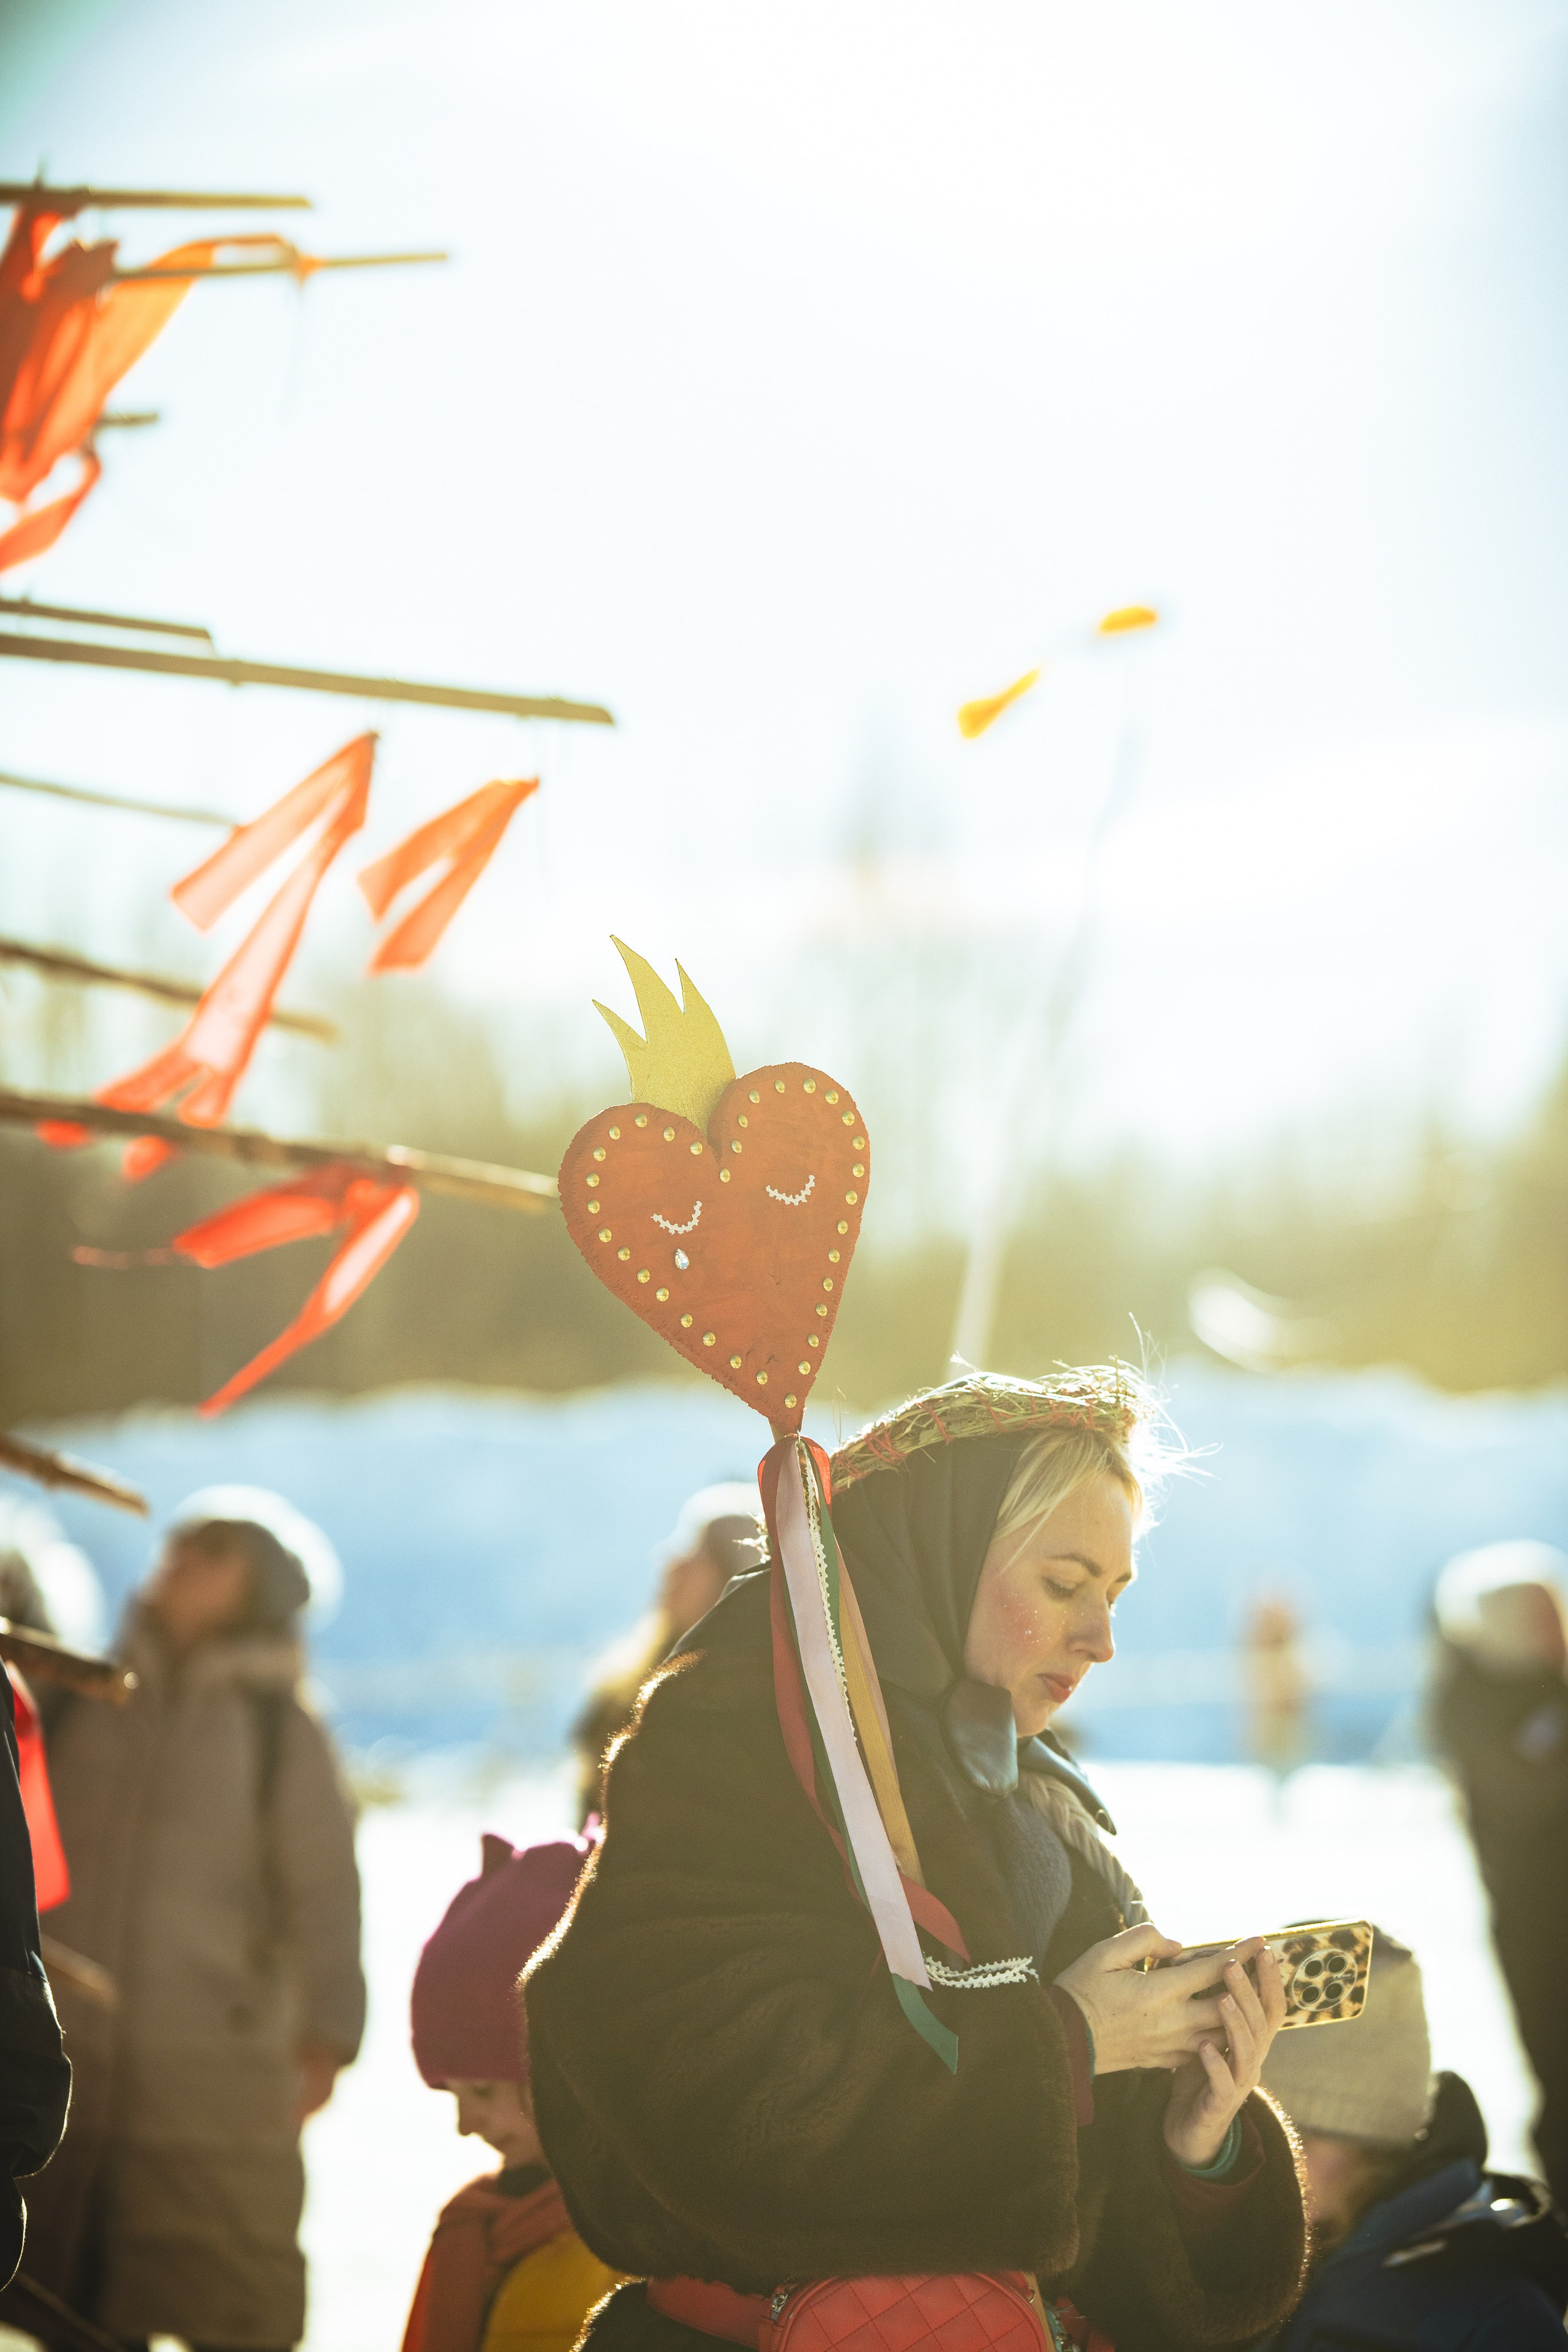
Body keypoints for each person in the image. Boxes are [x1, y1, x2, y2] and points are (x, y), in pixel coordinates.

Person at [526, 1371, 1310, 2352]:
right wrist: (1061, 2043)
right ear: (935, 1557)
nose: (1101, 1640)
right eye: (1062, 1585)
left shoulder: (1038, 1801)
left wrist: (1196, 2144)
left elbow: (1086, 2225)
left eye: (1112, 1595)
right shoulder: (740, 1739)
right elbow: (711, 2101)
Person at [23, 1487, 366, 2351]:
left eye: (212, 1554)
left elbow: (326, 1889)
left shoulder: (278, 1729)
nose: (179, 1563)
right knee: (73, 2293)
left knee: (223, 2286)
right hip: (77, 2051)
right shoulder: (81, 1694)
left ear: (257, 1588)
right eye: (178, 1546)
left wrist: (329, 2030)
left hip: (217, 2063)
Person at [1255, 1928, 1568, 2348]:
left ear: (1373, 2149)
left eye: (1299, 2141)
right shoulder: (1230, 2268)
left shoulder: (1493, 2317)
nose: (1266, 2163)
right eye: (1248, 2132)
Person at [403, 1830, 626, 2352]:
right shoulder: (472, 2228)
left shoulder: (648, 2247)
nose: (465, 2126)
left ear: (565, 2073)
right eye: (452, 2094)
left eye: (482, 2089)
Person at [1429, 1540, 1568, 2205]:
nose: (1557, 1629)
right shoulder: (1474, 1700)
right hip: (1536, 1918)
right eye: (1540, 1617)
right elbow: (1531, 1791)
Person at [571, 1484, 762, 1826]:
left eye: (700, 1550)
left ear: (734, 1577)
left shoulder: (740, 1699)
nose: (672, 1562)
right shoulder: (623, 1685)